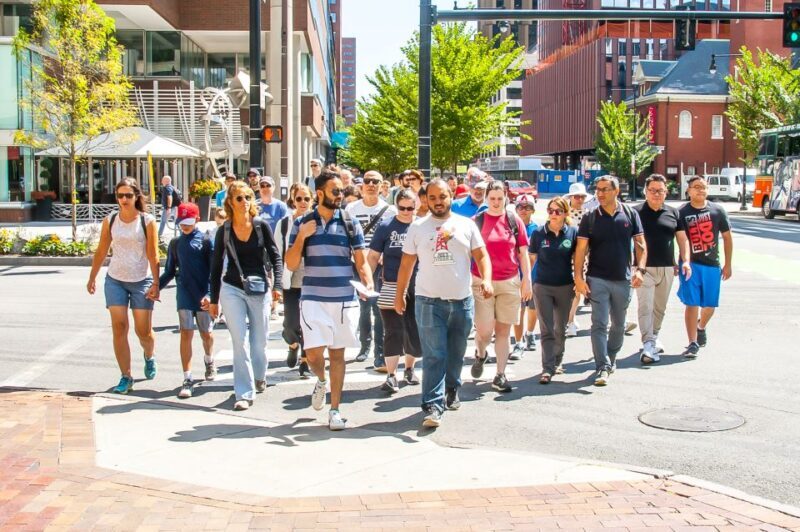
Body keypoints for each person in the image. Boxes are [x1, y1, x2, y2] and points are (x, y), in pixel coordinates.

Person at [395, 179, 491, 428]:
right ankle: (432, 405)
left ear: (451, 196)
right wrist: (400, 293)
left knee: (456, 352)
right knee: (434, 354)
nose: (438, 202)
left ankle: (452, 388)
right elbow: (406, 263)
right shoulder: (417, 227)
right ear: (425, 200)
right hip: (428, 301)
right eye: (433, 198)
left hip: (461, 301)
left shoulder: (466, 224)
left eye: (442, 197)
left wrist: (487, 279)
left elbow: (481, 255)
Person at [284, 168, 373, 431]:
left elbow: (361, 260)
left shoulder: (349, 222)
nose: (340, 195)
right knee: (313, 354)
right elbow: (290, 264)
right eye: (335, 191)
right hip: (313, 297)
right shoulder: (302, 223)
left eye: (342, 191)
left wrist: (367, 283)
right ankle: (321, 380)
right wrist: (302, 236)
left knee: (337, 355)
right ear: (320, 193)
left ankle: (335, 410)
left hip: (344, 297)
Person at [208, 181, 283, 411]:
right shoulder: (225, 230)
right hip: (232, 288)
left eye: (248, 197)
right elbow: (216, 265)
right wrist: (214, 299)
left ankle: (259, 376)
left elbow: (275, 256)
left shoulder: (261, 226)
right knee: (239, 341)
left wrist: (278, 285)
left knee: (259, 342)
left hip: (259, 288)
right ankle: (244, 392)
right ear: (230, 202)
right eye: (239, 198)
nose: (244, 202)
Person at [86, 178, 159, 394]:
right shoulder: (111, 220)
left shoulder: (147, 221)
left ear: (136, 196)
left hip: (141, 280)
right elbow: (101, 250)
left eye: (128, 195)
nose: (124, 199)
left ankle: (149, 355)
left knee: (143, 331)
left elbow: (153, 254)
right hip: (115, 279)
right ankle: (126, 376)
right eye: (120, 196)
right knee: (119, 327)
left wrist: (156, 283)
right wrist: (92, 277)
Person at [573, 175, 647, 386]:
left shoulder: (630, 214)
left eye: (605, 189)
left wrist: (640, 270)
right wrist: (578, 278)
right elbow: (581, 249)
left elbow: (641, 244)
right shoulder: (590, 217)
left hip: (623, 280)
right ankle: (602, 366)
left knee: (619, 325)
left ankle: (611, 356)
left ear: (616, 191)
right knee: (599, 323)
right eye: (598, 189)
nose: (600, 193)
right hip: (597, 278)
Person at [469, 182, 531, 393]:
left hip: (509, 281)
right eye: (492, 198)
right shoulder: (477, 221)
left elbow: (523, 253)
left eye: (500, 198)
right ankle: (481, 353)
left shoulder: (514, 220)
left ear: (506, 198)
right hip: (481, 282)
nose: (496, 203)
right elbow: (467, 252)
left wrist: (526, 280)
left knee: (503, 331)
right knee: (485, 331)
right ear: (486, 198)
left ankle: (500, 374)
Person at [158, 203, 216, 398]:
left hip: (203, 293)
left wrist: (211, 294)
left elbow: (213, 271)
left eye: (188, 222)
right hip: (184, 292)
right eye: (182, 222)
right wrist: (156, 287)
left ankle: (209, 359)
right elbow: (169, 271)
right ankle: (187, 377)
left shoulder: (206, 241)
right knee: (185, 333)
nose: (185, 226)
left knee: (206, 334)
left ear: (197, 220)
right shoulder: (175, 243)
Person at [633, 174, 691, 364]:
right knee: (645, 306)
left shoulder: (674, 213)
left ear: (666, 192)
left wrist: (685, 261)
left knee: (660, 307)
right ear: (645, 192)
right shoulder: (635, 212)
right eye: (652, 190)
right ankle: (648, 343)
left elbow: (682, 239)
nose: (656, 194)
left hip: (667, 267)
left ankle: (654, 335)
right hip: (643, 268)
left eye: (660, 190)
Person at [368, 189, 421, 393]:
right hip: (390, 284)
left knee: (413, 329)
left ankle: (409, 368)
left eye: (410, 208)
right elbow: (373, 256)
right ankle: (391, 375)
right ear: (396, 206)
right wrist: (368, 282)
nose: (406, 212)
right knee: (392, 330)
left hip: (418, 285)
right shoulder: (386, 226)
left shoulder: (421, 226)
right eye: (402, 208)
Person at [677, 175, 733, 358]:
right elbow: (677, 239)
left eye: (703, 187)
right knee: (692, 303)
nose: (700, 190)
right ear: (688, 190)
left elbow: (727, 237)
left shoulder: (717, 210)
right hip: (690, 265)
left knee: (709, 305)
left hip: (712, 265)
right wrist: (677, 262)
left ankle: (700, 326)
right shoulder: (681, 212)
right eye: (696, 187)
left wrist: (728, 264)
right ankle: (692, 342)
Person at [345, 170, 396, 369]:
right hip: (358, 263)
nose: (371, 185)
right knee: (363, 307)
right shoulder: (351, 208)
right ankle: (364, 346)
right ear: (362, 185)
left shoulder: (389, 210)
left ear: (382, 185)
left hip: (380, 265)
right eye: (368, 181)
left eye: (376, 181)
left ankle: (379, 352)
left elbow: (392, 237)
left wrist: (384, 255)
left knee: (378, 307)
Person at [529, 197, 577, 384]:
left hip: (565, 286)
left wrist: (579, 280)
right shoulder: (538, 233)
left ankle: (558, 360)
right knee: (546, 328)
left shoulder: (572, 232)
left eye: (558, 211)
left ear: (565, 213)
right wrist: (529, 283)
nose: (554, 214)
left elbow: (579, 258)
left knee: (560, 328)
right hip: (543, 286)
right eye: (550, 211)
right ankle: (547, 367)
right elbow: (532, 259)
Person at [275, 183, 313, 377]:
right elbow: (276, 252)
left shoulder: (317, 221)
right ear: (293, 200)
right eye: (299, 199)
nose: (303, 202)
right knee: (290, 324)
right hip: (290, 278)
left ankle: (305, 360)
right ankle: (292, 343)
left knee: (309, 322)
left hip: (312, 279)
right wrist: (275, 281)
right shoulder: (284, 223)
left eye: (306, 198)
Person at [510, 193, 539, 359]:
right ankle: (518, 342)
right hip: (516, 275)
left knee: (533, 308)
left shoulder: (537, 229)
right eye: (520, 207)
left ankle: (530, 333)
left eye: (527, 207)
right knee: (519, 309)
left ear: (533, 210)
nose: (523, 210)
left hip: (535, 275)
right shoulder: (511, 228)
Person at [564, 182, 592, 337]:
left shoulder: (589, 214)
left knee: (577, 287)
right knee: (565, 289)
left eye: (582, 197)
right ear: (570, 197)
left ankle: (570, 320)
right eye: (576, 197)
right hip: (564, 256)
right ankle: (567, 319)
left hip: (582, 256)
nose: (580, 199)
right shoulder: (563, 213)